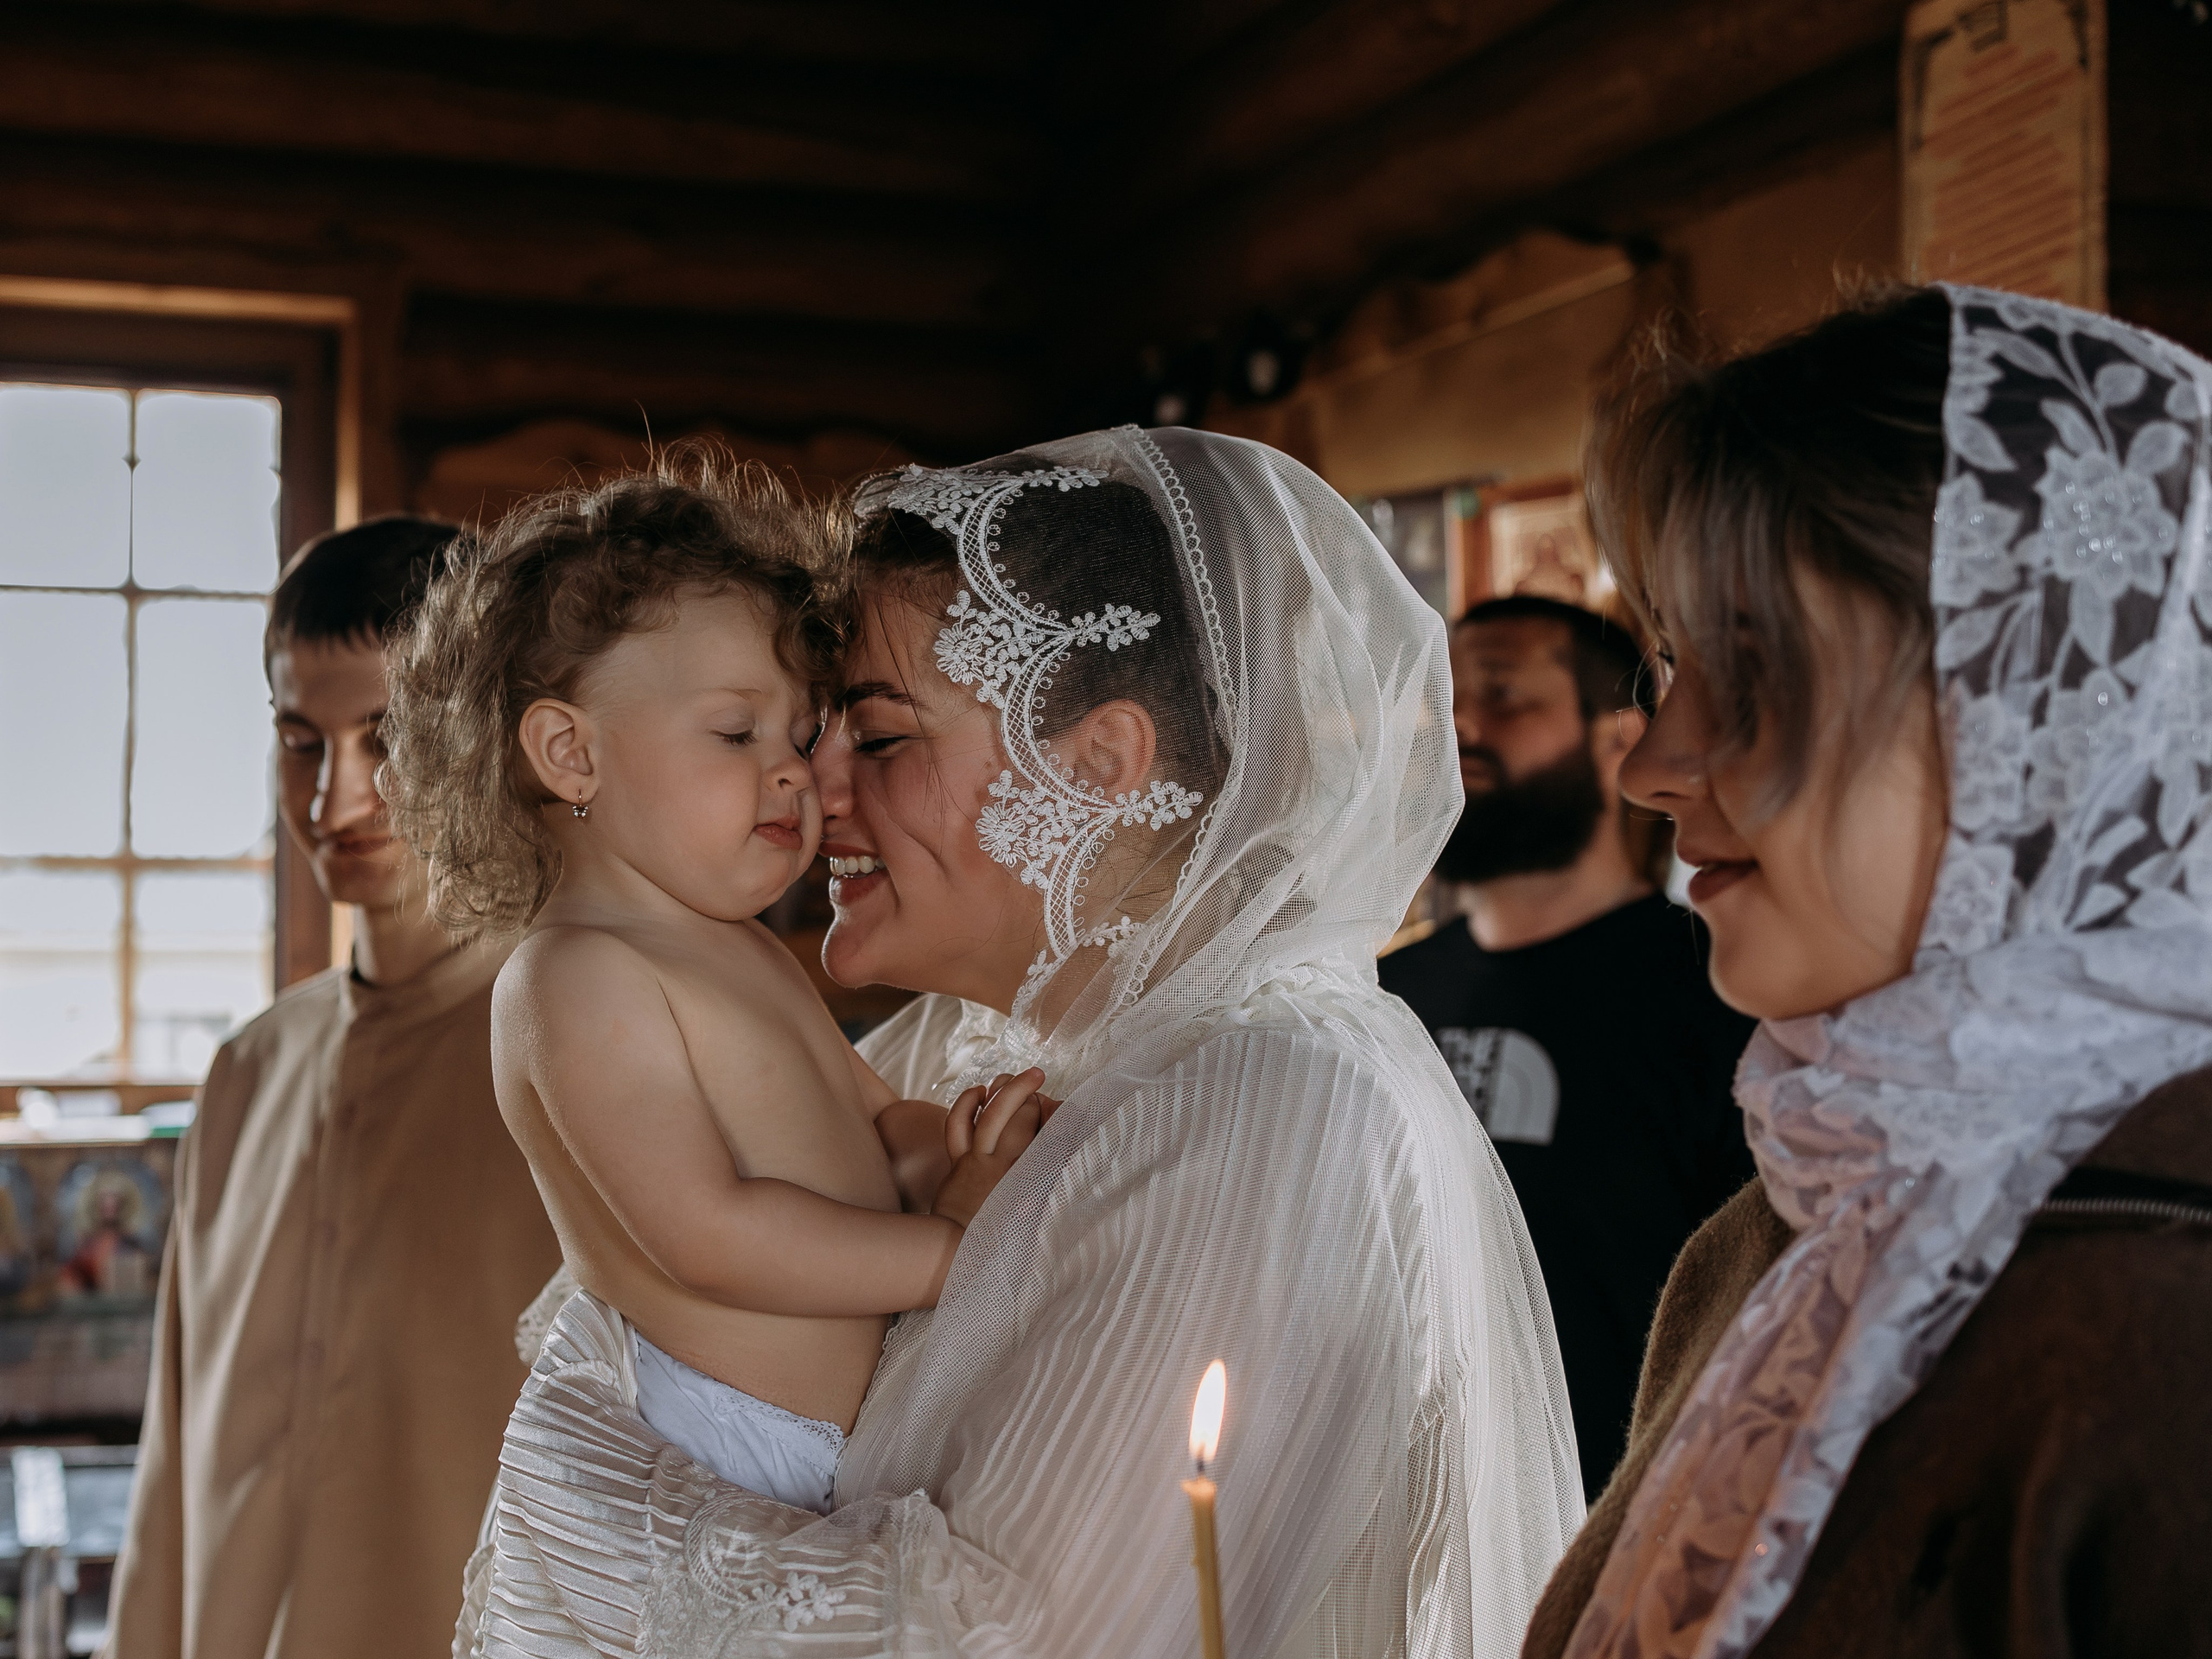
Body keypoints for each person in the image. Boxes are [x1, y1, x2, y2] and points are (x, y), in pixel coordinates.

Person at [455, 428, 1585, 1658]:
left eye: (877, 738)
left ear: (1098, 766)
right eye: (790, 735)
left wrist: (587, 1519)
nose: (810, 791)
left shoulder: (1276, 1105)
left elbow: (1028, 1639)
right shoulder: (975, 1039)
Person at [1524, 286, 2212, 1659]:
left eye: (1758, 675)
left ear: (2043, 739)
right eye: (1672, 668)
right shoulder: (1782, 1224)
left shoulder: (2177, 1336)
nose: (1652, 768)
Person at [378, 460, 1048, 1519]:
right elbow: (708, 1233)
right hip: (727, 1454)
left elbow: (876, 1128)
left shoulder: (737, 950)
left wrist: (964, 1148)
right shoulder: (574, 975)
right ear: (570, 755)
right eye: (736, 734)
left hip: (831, 1437)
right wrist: (946, 1258)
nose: (793, 773)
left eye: (799, 733)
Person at [107, 517, 564, 1659]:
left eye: (389, 735)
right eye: (301, 742)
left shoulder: (584, 1050)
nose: (336, 801)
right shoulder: (245, 1074)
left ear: (486, 730)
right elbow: (169, 1477)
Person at [1380, 595, 1754, 1499]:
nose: (1461, 725)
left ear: (1618, 735)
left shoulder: (1723, 984)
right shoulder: (1381, 996)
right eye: (1446, 700)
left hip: (1629, 1510)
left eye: (1505, 696)